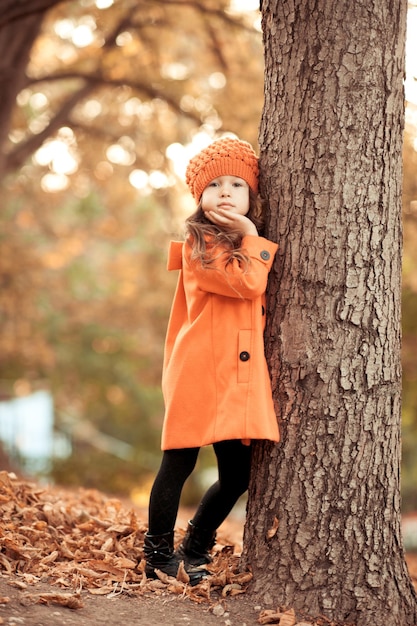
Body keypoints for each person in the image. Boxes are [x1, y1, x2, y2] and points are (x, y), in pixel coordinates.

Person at [143, 137, 280, 585]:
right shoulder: (199, 242)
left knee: (237, 474)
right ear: (199, 197)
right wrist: (252, 237)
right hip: (199, 367)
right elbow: (245, 285)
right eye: (215, 185)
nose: (225, 191)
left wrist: (248, 234)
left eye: (236, 184)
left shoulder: (242, 235)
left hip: (236, 373)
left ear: (251, 195)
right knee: (178, 463)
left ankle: (195, 547)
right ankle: (157, 553)